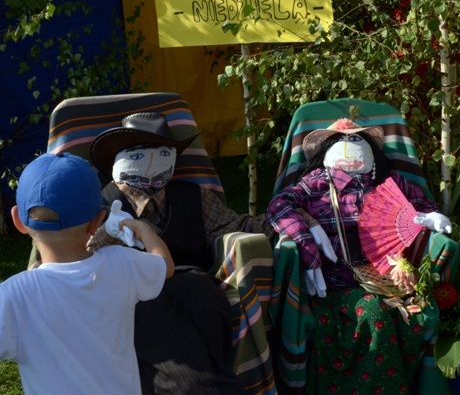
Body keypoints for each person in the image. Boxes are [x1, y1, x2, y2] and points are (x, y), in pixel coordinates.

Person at [88, 111, 270, 395]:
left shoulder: (192, 197)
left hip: (193, 282)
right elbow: (76, 253)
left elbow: (236, 224)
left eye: (161, 152)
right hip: (133, 292)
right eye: (138, 153)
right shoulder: (99, 206)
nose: (150, 160)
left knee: (204, 300)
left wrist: (288, 215)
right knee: (147, 312)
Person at [266, 118, 452, 394]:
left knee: (402, 317)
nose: (348, 147)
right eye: (341, 140)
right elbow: (279, 205)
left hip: (385, 276)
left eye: (357, 140)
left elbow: (420, 205)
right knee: (372, 315)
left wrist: (426, 217)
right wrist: (306, 239)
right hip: (331, 279)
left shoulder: (387, 182)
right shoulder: (315, 182)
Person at [0, 153, 174, 395]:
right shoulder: (122, 262)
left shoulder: (13, 296)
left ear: (18, 221)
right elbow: (164, 265)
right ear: (97, 222)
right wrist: (142, 228)